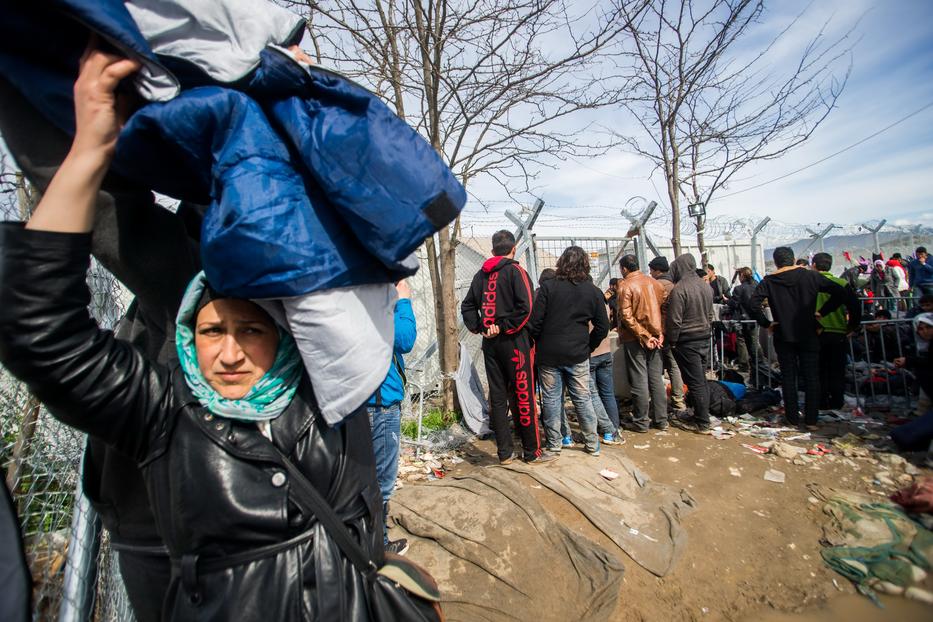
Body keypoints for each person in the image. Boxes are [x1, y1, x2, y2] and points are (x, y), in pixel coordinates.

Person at [0, 47, 440, 621]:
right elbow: (44, 329)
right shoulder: (167, 414)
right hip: (162, 528)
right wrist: (87, 142)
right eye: (211, 330)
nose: (229, 352)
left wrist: (290, 91)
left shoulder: (326, 356)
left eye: (251, 330)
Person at [461, 230, 547, 464]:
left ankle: (505, 453)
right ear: (513, 249)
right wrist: (503, 326)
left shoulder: (481, 275)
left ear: (492, 251)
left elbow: (467, 306)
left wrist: (482, 327)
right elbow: (526, 308)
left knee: (497, 397)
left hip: (490, 343)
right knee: (524, 393)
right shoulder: (517, 271)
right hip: (514, 342)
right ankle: (532, 452)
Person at [750, 247, 860, 428]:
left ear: (776, 262)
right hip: (809, 332)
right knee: (811, 376)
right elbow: (841, 293)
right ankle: (811, 419)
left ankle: (792, 417)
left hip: (783, 334)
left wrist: (767, 323)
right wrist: (821, 313)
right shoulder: (810, 276)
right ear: (793, 259)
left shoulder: (769, 281)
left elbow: (753, 304)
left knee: (788, 377)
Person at [529, 246, 610, 455]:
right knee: (583, 399)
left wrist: (541, 341)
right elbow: (602, 326)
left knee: (551, 400)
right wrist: (589, 346)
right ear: (585, 263)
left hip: (548, 354)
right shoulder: (592, 291)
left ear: (561, 263)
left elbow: (534, 323)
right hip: (578, 354)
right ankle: (592, 444)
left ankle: (555, 444)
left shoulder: (548, 288)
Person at [367, 279, 416, 555]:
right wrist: (403, 300)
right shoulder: (372, 298)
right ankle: (378, 545)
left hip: (362, 402)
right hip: (380, 403)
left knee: (365, 477)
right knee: (381, 482)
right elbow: (404, 338)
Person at [616, 254, 668, 432]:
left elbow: (626, 316)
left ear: (624, 268)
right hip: (655, 337)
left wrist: (644, 335)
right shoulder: (656, 284)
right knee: (656, 379)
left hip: (635, 337)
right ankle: (661, 420)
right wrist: (659, 333)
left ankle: (641, 421)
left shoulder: (625, 285)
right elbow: (663, 310)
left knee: (639, 378)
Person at [665, 254, 714, 434]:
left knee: (695, 382)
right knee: (700, 379)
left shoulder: (679, 290)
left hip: (687, 340)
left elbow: (675, 321)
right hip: (704, 337)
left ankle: (702, 422)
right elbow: (710, 315)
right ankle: (700, 414)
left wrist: (673, 341)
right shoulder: (705, 286)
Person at [811, 253, 859, 411]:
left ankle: (821, 402)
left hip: (815, 333)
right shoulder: (841, 283)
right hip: (838, 331)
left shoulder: (809, 283)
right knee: (837, 370)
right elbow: (855, 307)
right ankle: (837, 402)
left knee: (818, 370)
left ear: (814, 265)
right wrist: (851, 327)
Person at [649, 256, 686, 412]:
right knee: (673, 366)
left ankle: (658, 402)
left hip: (659, 331)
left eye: (651, 270)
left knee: (656, 368)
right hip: (674, 331)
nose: (650, 273)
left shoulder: (656, 286)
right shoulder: (675, 286)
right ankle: (678, 399)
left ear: (658, 270)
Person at [727, 267, 764, 374]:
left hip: (743, 319)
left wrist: (727, 300)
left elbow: (734, 303)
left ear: (742, 276)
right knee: (755, 341)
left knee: (742, 340)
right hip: (756, 318)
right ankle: (760, 363)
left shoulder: (739, 289)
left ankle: (744, 365)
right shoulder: (757, 285)